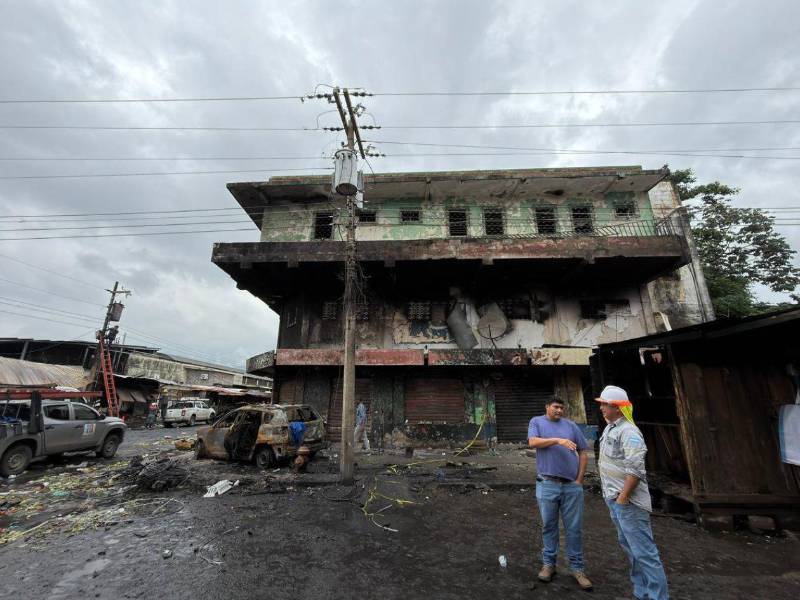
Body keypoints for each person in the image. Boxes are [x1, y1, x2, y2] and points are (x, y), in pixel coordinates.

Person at [596, 385, 668, 600]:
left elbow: (635, 469)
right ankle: (642, 592)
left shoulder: (629, 431)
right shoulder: (611, 428)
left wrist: (623, 498)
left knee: (645, 553)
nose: (601, 408)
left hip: (628, 503)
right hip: (615, 500)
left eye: (605, 405)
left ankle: (657, 596)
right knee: (631, 550)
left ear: (617, 407)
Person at [528, 398, 592, 591]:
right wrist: (558, 440)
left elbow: (583, 452)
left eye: (562, 408)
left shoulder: (571, 426)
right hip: (547, 484)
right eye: (556, 407)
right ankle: (549, 565)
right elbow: (533, 442)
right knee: (549, 526)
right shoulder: (537, 422)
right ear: (547, 407)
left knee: (574, 529)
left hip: (571, 486)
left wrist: (579, 480)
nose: (559, 410)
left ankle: (577, 569)